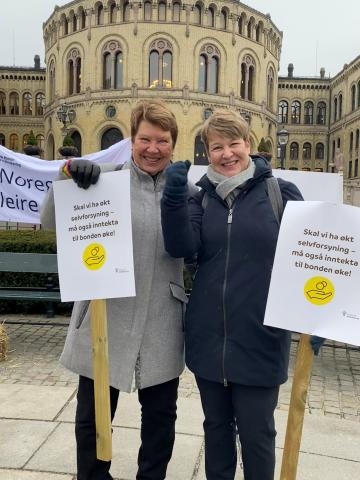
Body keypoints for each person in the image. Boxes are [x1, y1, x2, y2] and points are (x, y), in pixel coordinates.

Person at [40, 100, 192, 480]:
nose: (153, 149)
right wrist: (67, 178)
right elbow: (49, 222)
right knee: (93, 416)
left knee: (160, 419)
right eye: (145, 139)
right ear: (131, 139)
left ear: (174, 144)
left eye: (162, 140)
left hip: (162, 317)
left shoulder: (187, 192)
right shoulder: (102, 181)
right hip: (106, 314)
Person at [160, 109, 304, 480]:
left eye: (233, 144)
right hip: (209, 342)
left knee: (258, 438)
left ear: (249, 145)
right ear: (207, 153)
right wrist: (174, 199)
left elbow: (310, 260)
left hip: (260, 340)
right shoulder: (200, 200)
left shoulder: (280, 194)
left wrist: (315, 317)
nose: (226, 154)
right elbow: (181, 247)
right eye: (216, 147)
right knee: (217, 432)